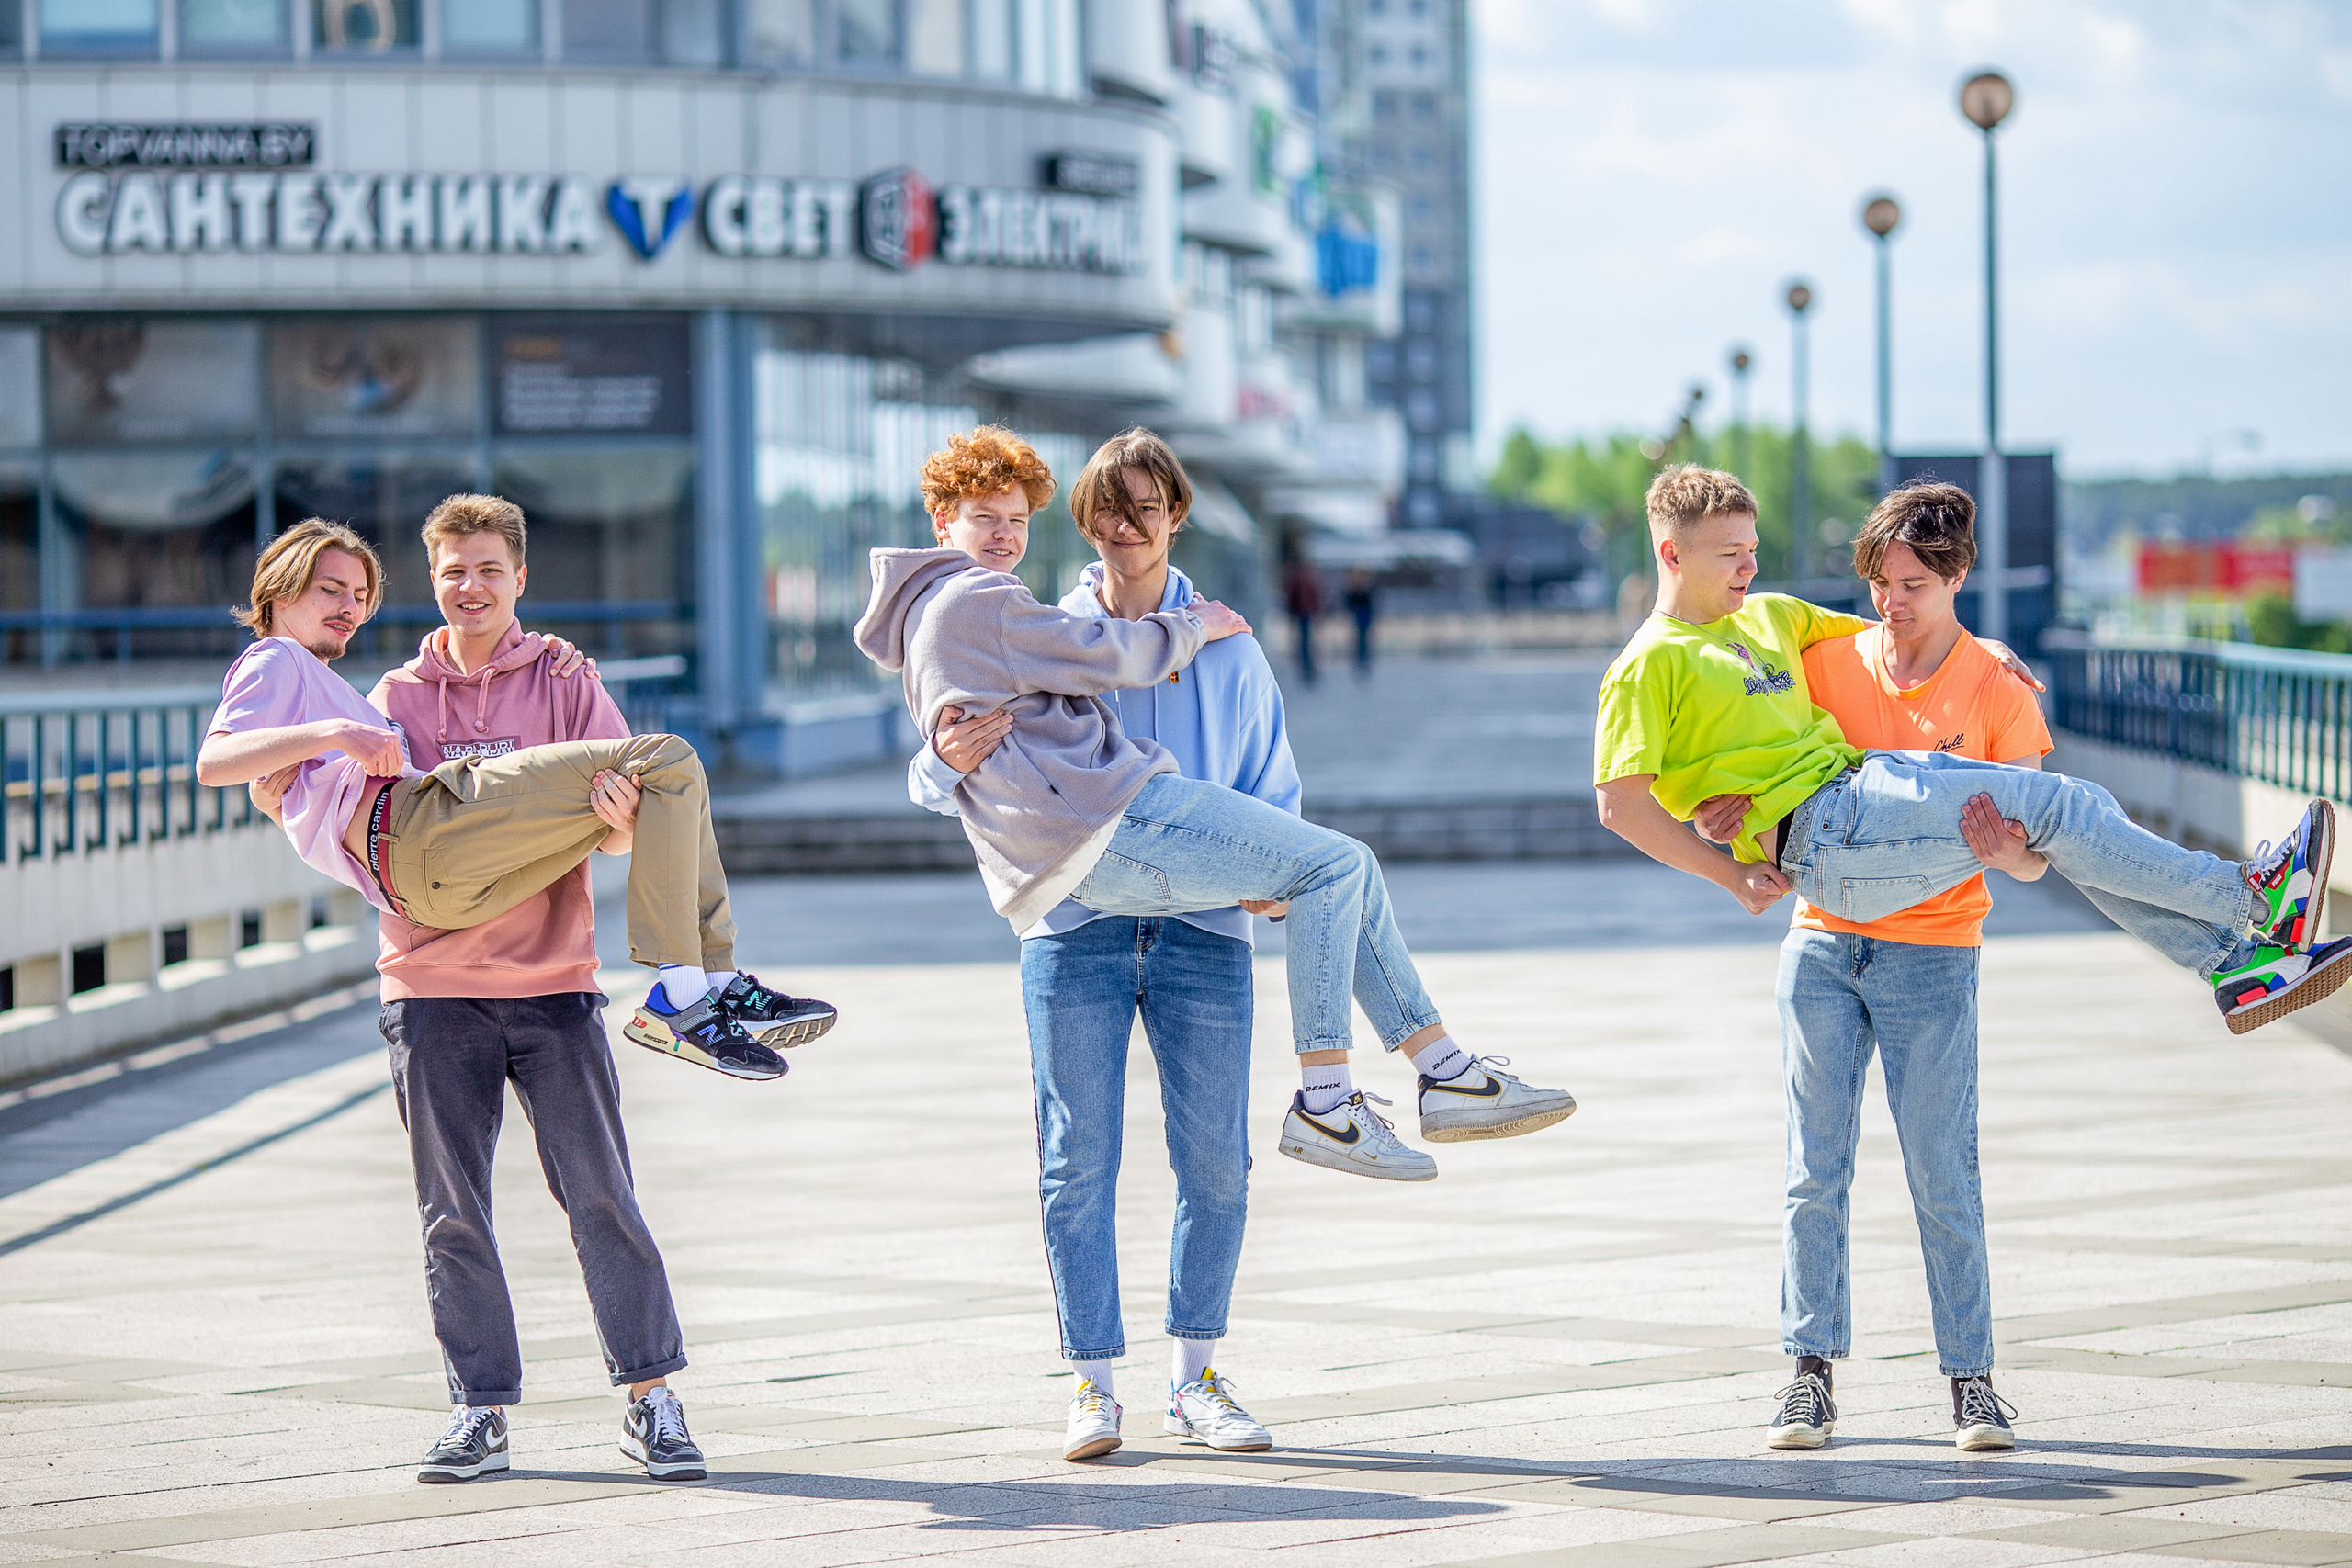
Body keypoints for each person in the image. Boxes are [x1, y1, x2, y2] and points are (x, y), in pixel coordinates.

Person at [252, 497, 811, 1483]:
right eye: (452, 571)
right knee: (451, 1211)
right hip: (430, 985)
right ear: (432, 581)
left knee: (603, 1199)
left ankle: (652, 1400)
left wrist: (620, 823)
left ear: (519, 578)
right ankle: (479, 1411)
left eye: (488, 570)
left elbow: (628, 832)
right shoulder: (391, 695)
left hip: (555, 982)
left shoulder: (564, 679)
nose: (469, 587)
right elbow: (336, 815)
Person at [853, 427, 1576, 1180]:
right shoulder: (1021, 611)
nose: (1126, 526)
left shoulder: (1212, 644)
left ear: (1176, 517)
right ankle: (1346, 1096)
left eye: (1014, 519)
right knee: (1078, 1167)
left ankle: (1439, 1073)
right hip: (1091, 884)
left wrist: (1274, 870)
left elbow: (1265, 773)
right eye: (986, 518)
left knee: (1218, 1167)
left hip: (1180, 900)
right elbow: (1079, 682)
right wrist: (936, 766)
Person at [1592, 463, 2346, 1040]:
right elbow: (1619, 804)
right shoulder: (1646, 662)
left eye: (1753, 549)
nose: (1749, 567)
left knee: (2071, 813)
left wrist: (1980, 646)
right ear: (1672, 552)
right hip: (1824, 836)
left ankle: (2235, 962)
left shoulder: (1773, 617)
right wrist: (1726, 868)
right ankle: (2253, 895)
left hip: (1862, 800)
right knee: (2065, 805)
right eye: (1730, 553)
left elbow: (1892, 627)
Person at [198, 518, 834, 1087]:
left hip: (438, 884)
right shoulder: (278, 657)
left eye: (360, 595)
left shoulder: (331, 680)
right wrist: (337, 734)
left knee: (671, 778)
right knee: (667, 760)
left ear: (519, 580)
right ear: (281, 591)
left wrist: (613, 818)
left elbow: (300, 794)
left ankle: (705, 984)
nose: (350, 607)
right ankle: (693, 989)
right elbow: (213, 760)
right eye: (331, 590)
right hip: (422, 838)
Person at [1681, 483, 2049, 1453]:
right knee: (1814, 1172)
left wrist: (2006, 852)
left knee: (1943, 1176)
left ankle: (1973, 1384)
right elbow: (1735, 737)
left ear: (1959, 578)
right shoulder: (1822, 663)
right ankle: (1808, 1379)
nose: (1893, 602)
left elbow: (2034, 860)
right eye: (1881, 583)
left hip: (1935, 952)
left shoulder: (1998, 691)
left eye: (1915, 585)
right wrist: (1718, 814)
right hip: (1820, 943)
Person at [1283, 555, 1326, 685]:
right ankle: (1308, 669)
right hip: (1305, 614)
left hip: (1304, 614)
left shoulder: (1299, 580)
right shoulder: (1308, 580)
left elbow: (1294, 599)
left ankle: (1308, 668)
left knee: (1305, 643)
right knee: (1306, 643)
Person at [1344, 568, 1378, 682]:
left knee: (1364, 640)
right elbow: (1350, 602)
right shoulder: (1355, 589)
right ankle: (1361, 660)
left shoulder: (1368, 589)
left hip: (1365, 618)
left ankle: (1363, 660)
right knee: (1360, 640)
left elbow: (1371, 603)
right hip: (1359, 618)